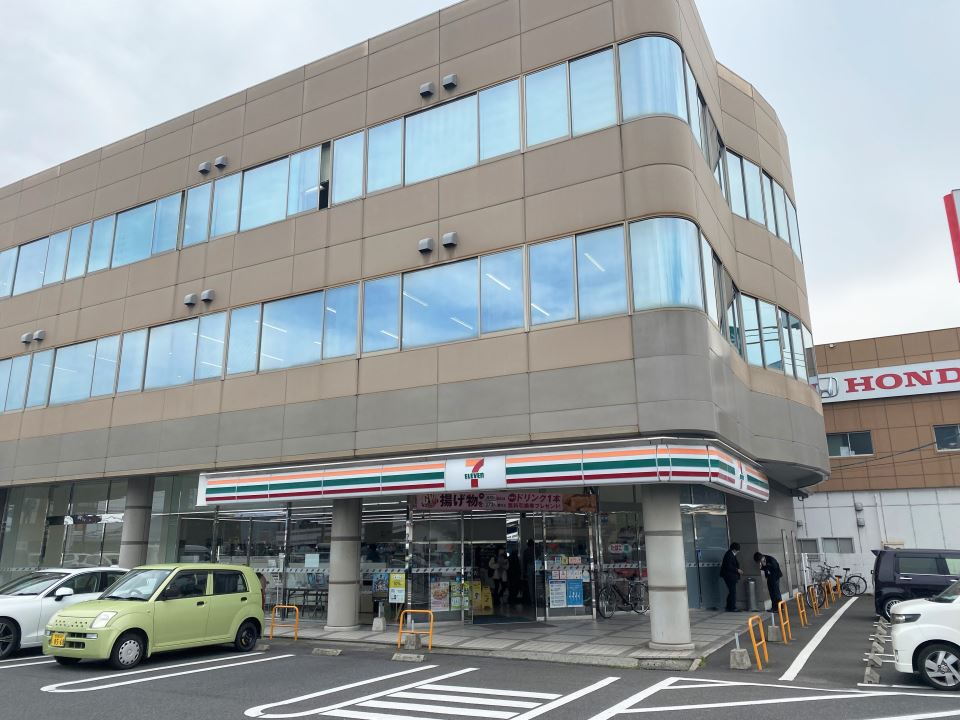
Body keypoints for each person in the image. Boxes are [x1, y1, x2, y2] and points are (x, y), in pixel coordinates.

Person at [720, 542, 743, 611]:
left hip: (731, 576)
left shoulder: (731, 554)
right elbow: (728, 566)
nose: (738, 551)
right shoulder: (729, 554)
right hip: (729, 576)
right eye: (737, 550)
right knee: (733, 592)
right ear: (734, 549)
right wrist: (737, 570)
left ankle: (729, 606)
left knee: (732, 591)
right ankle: (732, 607)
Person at [522, 539, 536, 606]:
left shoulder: (526, 551)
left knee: (530, 585)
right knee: (536, 583)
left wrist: (524, 572)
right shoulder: (536, 550)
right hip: (536, 566)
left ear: (528, 544)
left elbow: (524, 562)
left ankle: (532, 600)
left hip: (529, 566)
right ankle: (537, 599)